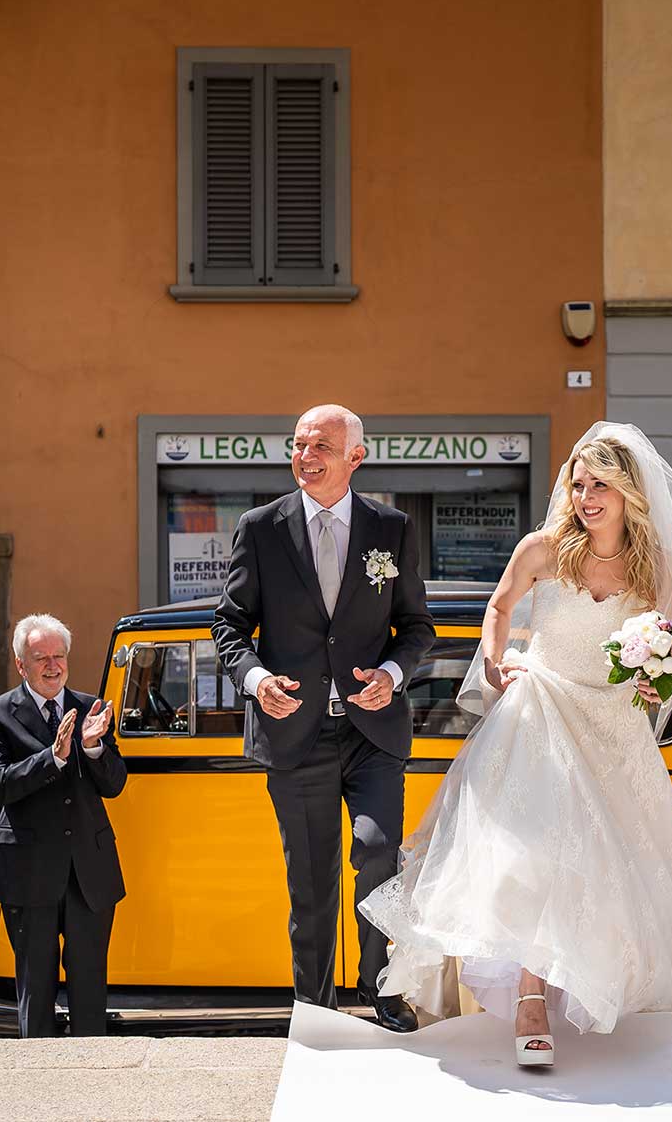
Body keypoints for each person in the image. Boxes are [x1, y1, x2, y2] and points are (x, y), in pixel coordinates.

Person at [359, 423, 672, 1067]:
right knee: (534, 856)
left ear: (628, 491)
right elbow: (499, 609)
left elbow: (671, 636)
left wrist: (655, 673)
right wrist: (497, 664)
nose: (585, 497)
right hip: (542, 709)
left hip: (614, 726)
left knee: (615, 871)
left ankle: (604, 993)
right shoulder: (543, 550)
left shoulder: (655, 562)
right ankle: (530, 1000)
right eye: (578, 485)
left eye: (599, 485)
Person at [210, 404, 436, 1032]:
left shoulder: (391, 528)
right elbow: (229, 625)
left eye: (321, 446)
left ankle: (380, 991)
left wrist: (390, 677)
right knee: (310, 876)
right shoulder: (261, 527)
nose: (305, 456)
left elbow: (416, 626)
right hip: (294, 734)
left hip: (372, 732)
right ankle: (314, 1006)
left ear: (355, 458)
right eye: (299, 445)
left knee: (377, 852)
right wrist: (257, 681)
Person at [0, 613, 127, 1038]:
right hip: (29, 874)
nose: (52, 666)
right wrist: (54, 758)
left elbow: (114, 785)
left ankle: (91, 1085)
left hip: (89, 874)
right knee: (36, 990)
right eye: (41, 658)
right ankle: (38, 1088)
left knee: (90, 989)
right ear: (22, 665)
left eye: (59, 656)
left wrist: (94, 748)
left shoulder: (88, 707)